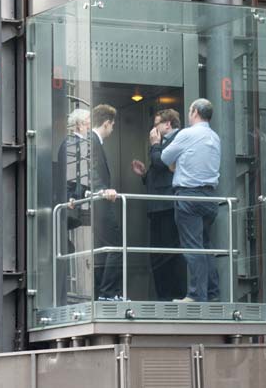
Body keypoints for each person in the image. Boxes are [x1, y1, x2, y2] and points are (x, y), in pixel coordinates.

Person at [161, 98, 222, 303]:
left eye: (189, 110)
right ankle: (212, 294)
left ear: (195, 112)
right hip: (210, 197)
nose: (188, 114)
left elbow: (165, 157)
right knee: (205, 246)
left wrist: (177, 161)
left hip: (189, 196)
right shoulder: (215, 138)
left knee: (192, 246)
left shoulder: (187, 134)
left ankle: (196, 295)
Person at [130, 109, 185, 300]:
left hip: (168, 207)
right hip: (157, 207)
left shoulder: (177, 139)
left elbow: (161, 162)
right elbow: (161, 171)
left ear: (168, 124)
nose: (153, 130)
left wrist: (154, 145)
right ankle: (163, 296)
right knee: (157, 255)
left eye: (156, 124)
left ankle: (174, 295)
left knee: (170, 253)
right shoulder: (163, 143)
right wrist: (146, 174)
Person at [54, 108, 91, 304]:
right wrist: (70, 197)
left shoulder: (80, 144)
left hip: (76, 200)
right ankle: (63, 293)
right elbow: (69, 175)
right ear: (78, 125)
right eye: (86, 122)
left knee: (67, 245)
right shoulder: (71, 144)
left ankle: (65, 292)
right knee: (65, 245)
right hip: (70, 201)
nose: (89, 126)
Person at [89, 104, 121, 300]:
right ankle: (108, 293)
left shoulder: (93, 140)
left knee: (103, 248)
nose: (113, 129)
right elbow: (90, 168)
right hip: (100, 202)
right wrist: (102, 190)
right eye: (112, 125)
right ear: (107, 123)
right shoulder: (92, 140)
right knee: (116, 246)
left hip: (98, 202)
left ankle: (101, 293)